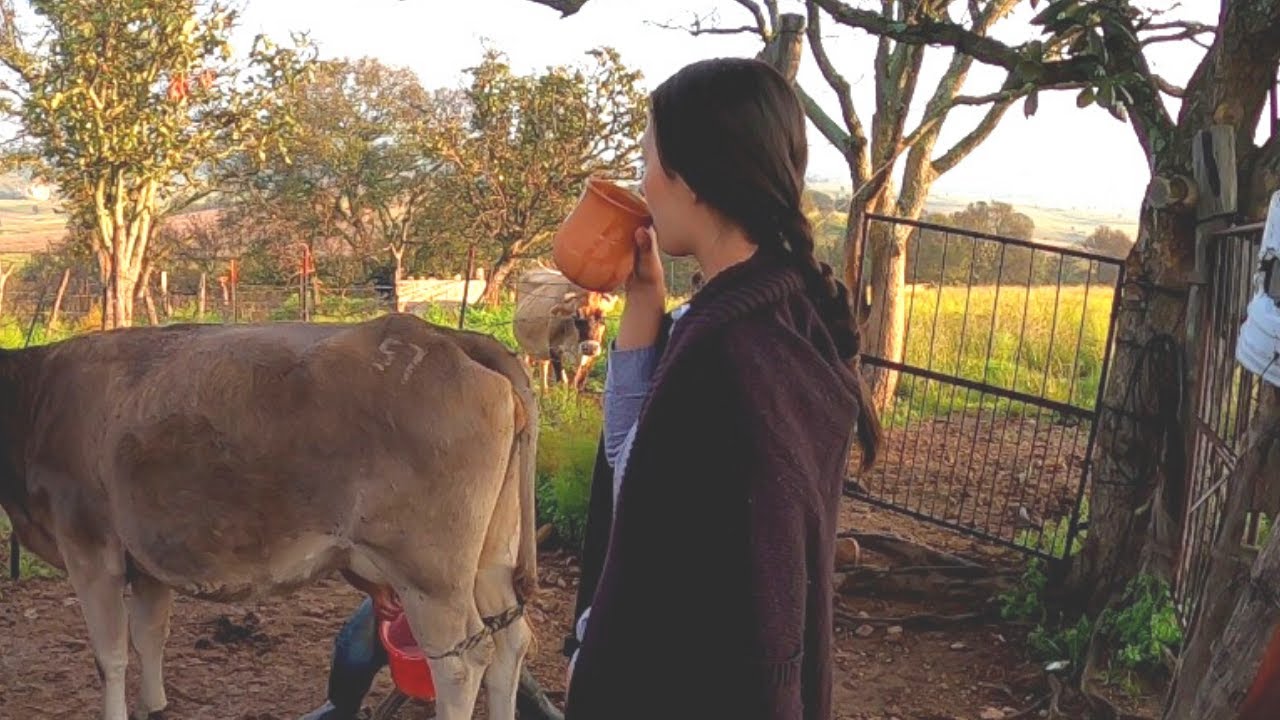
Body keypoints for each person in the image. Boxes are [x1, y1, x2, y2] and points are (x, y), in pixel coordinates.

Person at [560, 57, 882, 720]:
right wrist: (645, 305)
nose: (642, 183)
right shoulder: (782, 313)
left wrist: (595, 668)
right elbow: (635, 468)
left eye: (648, 160)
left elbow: (645, 525)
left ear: (693, 180)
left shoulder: (725, 351)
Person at [301, 592, 562, 720]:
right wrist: (376, 588)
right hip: (404, 584)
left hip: (469, 588)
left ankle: (536, 706)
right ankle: (341, 707)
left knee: (496, 647)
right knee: (355, 642)